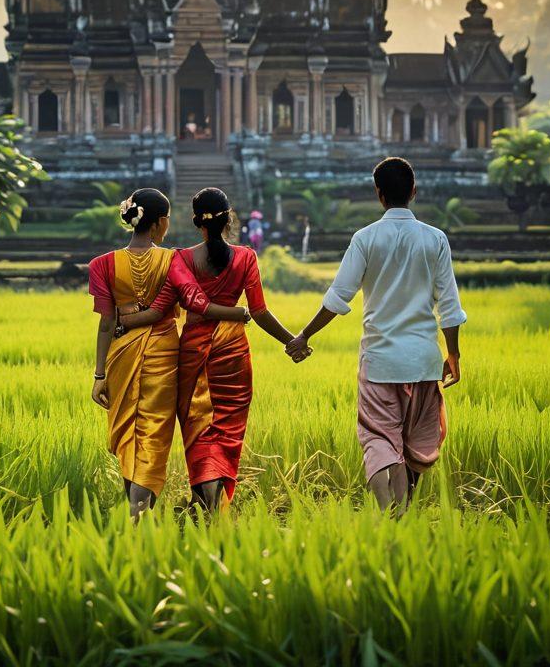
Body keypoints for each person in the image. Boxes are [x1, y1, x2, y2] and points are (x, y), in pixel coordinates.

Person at [285, 157, 466, 514]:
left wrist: (304, 335)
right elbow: (450, 307)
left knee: (380, 441)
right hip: (424, 361)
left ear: (378, 195)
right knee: (415, 444)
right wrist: (454, 355)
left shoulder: (366, 238)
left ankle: (390, 510)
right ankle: (400, 512)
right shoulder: (436, 239)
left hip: (381, 361)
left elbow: (338, 298)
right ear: (413, 192)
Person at [121, 187, 309, 514]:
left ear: (197, 222)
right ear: (228, 218)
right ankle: (213, 501)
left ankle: (204, 497)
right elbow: (260, 312)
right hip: (234, 352)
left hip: (194, 351)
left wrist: (121, 321)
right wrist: (291, 341)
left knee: (199, 428)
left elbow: (162, 307)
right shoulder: (246, 257)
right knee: (227, 430)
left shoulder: (180, 258)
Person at [88, 187, 250, 519]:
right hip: (164, 355)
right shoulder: (173, 259)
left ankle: (137, 512)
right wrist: (238, 313)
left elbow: (107, 324)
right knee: (154, 433)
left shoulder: (102, 265)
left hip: (120, 355)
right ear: (161, 223)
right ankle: (142, 508)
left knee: (129, 433)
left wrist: (99, 374)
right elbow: (187, 301)